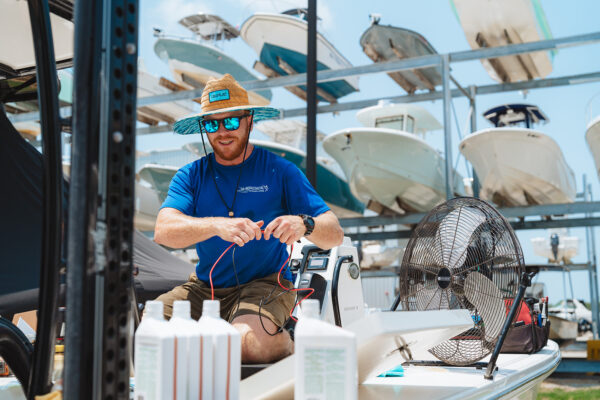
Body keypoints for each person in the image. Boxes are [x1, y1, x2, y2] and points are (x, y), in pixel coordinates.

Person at [153, 74, 344, 363]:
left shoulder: (280, 170)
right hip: (205, 286)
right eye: (212, 123)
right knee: (148, 329)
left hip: (265, 284)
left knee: (245, 345)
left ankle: (290, 340)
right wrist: (217, 225)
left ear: (249, 122)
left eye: (230, 121)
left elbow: (334, 233)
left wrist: (304, 223)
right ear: (204, 128)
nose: (222, 131)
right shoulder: (189, 175)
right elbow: (163, 231)